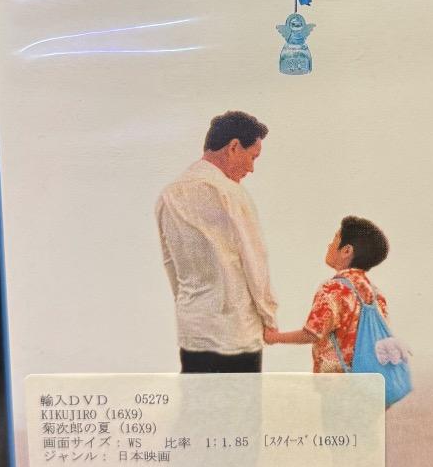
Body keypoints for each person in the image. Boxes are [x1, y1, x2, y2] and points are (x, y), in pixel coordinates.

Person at [155, 110, 278, 373]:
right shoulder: (231, 193)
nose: (251, 168)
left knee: (199, 398)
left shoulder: (168, 195)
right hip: (237, 333)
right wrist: (268, 317)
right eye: (252, 157)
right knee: (240, 400)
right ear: (233, 147)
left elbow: (170, 263)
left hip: (193, 332)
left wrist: (189, 308)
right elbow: (254, 260)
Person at [264, 216, 391, 373]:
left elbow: (312, 334)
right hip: (368, 378)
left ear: (346, 251)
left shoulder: (334, 289)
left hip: (336, 381)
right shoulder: (376, 295)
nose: (329, 245)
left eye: (335, 239)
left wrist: (275, 337)